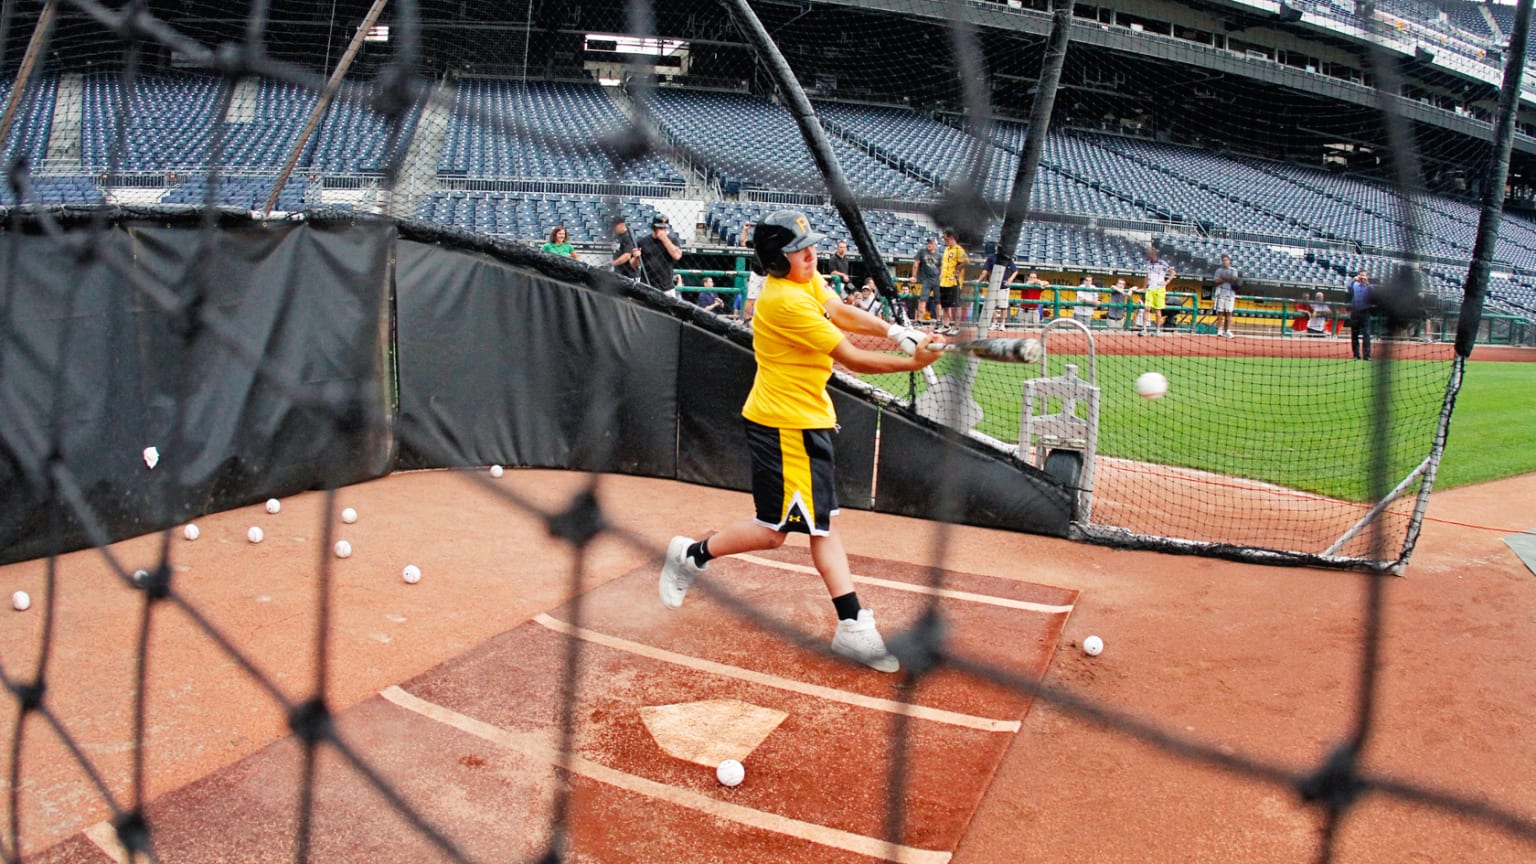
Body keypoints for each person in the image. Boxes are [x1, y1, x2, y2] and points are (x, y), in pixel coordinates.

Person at [658, 210, 946, 673]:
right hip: (786, 426)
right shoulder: (784, 303)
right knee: (800, 529)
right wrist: (910, 362)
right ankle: (851, 624)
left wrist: (896, 332)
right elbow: (851, 358)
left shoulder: (805, 282)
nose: (810, 255)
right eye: (799, 250)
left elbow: (839, 310)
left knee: (792, 529)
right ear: (777, 260)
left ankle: (692, 555)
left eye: (810, 246)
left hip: (802, 419)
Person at [638, 215, 683, 293]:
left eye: (664, 228)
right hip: (647, 285)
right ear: (654, 227)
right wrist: (636, 257)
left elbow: (677, 256)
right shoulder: (643, 241)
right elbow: (634, 265)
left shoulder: (672, 240)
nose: (663, 230)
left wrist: (664, 239)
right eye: (660, 228)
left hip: (666, 287)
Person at [979, 245, 1020, 328]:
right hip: (993, 285)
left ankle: (1003, 324)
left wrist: (1010, 280)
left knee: (1003, 306)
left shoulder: (1007, 258)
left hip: (1004, 286)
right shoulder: (991, 258)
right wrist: (979, 280)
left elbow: (1015, 271)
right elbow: (985, 271)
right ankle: (994, 322)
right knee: (991, 306)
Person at [1138, 247, 1175, 336]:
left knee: (1158, 310)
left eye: (1150, 253)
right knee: (1147, 308)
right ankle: (1144, 329)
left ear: (1153, 254)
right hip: (1150, 288)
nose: (1148, 255)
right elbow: (1147, 276)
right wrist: (1144, 287)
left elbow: (1173, 272)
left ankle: (1157, 330)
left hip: (1159, 289)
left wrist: (1166, 282)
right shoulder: (1148, 263)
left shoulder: (1162, 262)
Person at [938, 228, 967, 335]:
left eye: (946, 238)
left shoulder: (958, 249)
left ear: (952, 238)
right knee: (945, 305)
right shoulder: (946, 250)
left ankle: (956, 327)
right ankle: (946, 325)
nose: (944, 240)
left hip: (954, 282)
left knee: (956, 305)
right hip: (944, 282)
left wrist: (957, 269)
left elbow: (966, 261)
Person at [910, 238, 941, 325]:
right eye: (928, 243)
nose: (929, 245)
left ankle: (939, 321)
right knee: (922, 300)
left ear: (935, 244)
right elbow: (916, 264)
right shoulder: (922, 252)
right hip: (926, 280)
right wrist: (914, 276)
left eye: (931, 243)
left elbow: (942, 268)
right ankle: (920, 320)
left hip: (936, 281)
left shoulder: (939, 255)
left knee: (938, 302)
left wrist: (941, 278)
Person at [1211, 253, 1240, 338]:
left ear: (1229, 261)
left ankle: (1228, 331)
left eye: (1226, 260)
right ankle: (1219, 330)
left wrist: (1223, 278)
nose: (1225, 262)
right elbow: (1216, 281)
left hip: (1230, 294)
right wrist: (1227, 279)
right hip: (1220, 293)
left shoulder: (1233, 270)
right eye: (1223, 260)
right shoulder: (1218, 270)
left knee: (1229, 313)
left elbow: (1234, 278)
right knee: (1220, 312)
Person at [1348, 271, 1372, 359]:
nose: (1362, 277)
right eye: (1361, 275)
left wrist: (1367, 283)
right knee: (1354, 334)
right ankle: (1356, 355)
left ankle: (1367, 355)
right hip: (1355, 312)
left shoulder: (1369, 287)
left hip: (1365, 312)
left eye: (1364, 276)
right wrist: (1353, 280)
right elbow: (1349, 288)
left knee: (1367, 334)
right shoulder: (1355, 285)